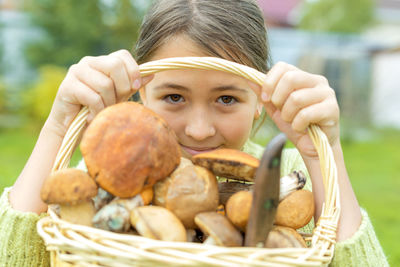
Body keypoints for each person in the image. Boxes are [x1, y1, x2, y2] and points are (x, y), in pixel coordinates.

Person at [0, 0, 388, 266]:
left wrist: (323, 154)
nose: (199, 130)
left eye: (226, 99)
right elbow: (15, 258)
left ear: (259, 98)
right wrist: (59, 127)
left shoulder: (289, 176)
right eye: (173, 96)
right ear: (141, 93)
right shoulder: (113, 178)